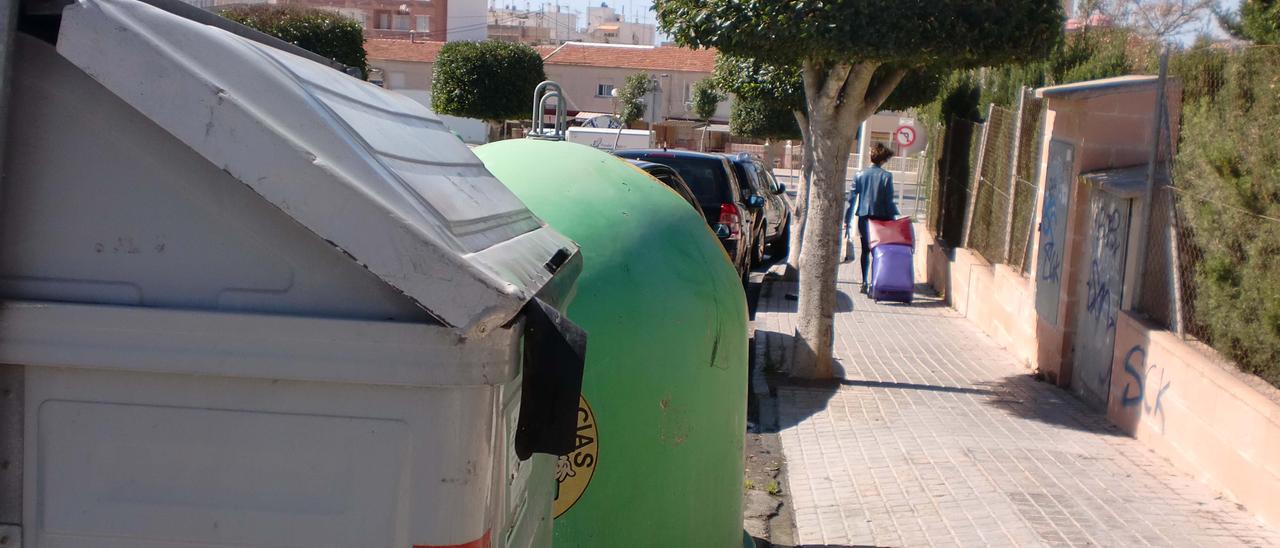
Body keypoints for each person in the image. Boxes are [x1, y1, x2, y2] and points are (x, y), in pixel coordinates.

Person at [844, 143, 900, 294]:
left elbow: (851, 200)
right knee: (878, 251)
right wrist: (893, 220)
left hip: (864, 217)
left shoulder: (860, 175)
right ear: (883, 160)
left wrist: (846, 221)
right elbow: (889, 201)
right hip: (881, 218)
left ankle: (864, 282)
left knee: (865, 250)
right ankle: (875, 283)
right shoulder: (887, 176)